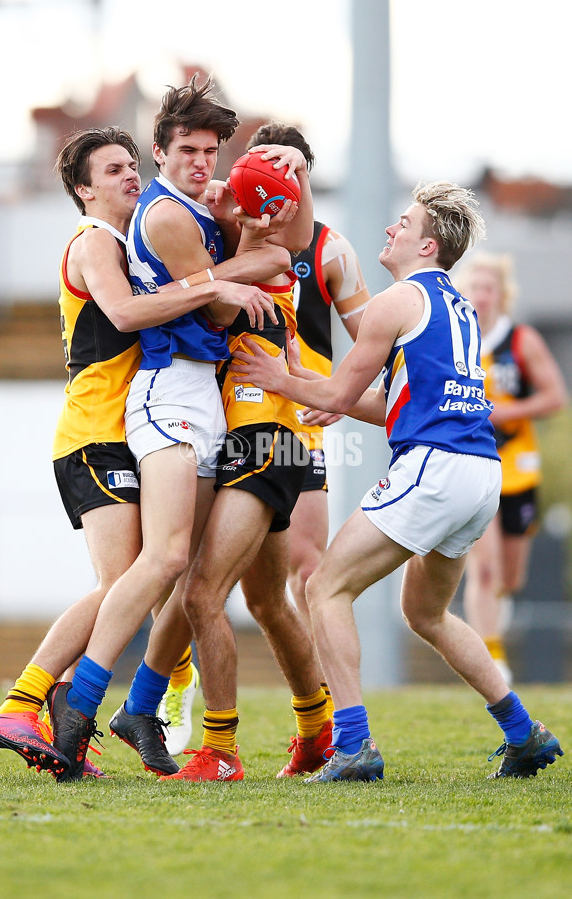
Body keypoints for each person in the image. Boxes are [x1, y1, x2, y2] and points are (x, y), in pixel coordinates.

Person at [231, 181, 564, 782]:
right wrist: (316, 386)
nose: (391, 230)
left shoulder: (395, 303)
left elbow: (338, 393)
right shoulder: (454, 305)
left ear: (429, 245)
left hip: (435, 467)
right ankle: (524, 733)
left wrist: (283, 380)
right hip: (480, 473)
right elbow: (391, 402)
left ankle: (353, 745)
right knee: (426, 612)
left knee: (325, 588)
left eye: (404, 224)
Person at [0, 125, 279, 780]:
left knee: (136, 585)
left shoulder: (122, 239)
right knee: (133, 581)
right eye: (112, 170)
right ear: (83, 189)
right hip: (94, 431)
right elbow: (123, 313)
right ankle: (24, 701)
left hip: (118, 427)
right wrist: (213, 284)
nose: (129, 176)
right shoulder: (92, 241)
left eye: (131, 165)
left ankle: (65, 742)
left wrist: (223, 247)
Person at [43, 77, 298, 782]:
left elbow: (232, 278)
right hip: (168, 392)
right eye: (187, 149)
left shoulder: (192, 208)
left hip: (203, 397)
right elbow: (216, 311)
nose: (201, 162)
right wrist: (246, 267)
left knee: (191, 578)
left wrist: (239, 249)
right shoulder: (163, 219)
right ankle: (71, 712)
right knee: (161, 563)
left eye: (212, 151)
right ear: (162, 151)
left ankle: (141, 706)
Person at [115, 135, 334, 783]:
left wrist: (313, 390)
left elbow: (277, 242)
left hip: (263, 439)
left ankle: (220, 749)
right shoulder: (230, 239)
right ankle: (321, 730)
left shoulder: (271, 249)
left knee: (203, 592)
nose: (220, 197)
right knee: (267, 601)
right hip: (259, 438)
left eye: (239, 186)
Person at [244, 122, 371, 728]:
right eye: (263, 166)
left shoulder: (332, 250)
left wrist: (340, 393)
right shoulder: (227, 233)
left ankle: (328, 706)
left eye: (287, 169)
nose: (274, 181)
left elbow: (380, 341)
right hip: (228, 418)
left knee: (305, 569)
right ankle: (171, 692)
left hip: (298, 428)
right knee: (189, 573)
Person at [455, 253, 567, 683]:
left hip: (519, 464)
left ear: (502, 296)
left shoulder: (521, 341)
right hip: (475, 462)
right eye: (475, 288)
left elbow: (555, 397)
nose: (481, 296)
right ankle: (492, 658)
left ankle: (495, 616)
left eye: (489, 288)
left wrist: (507, 411)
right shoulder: (455, 337)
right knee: (484, 568)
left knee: (511, 575)